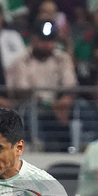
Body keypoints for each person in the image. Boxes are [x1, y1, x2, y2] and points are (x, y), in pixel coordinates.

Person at [7, 19, 78, 149]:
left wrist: (65, 99)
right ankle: (38, 146)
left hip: (59, 105)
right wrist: (51, 104)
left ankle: (80, 146)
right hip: (34, 104)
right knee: (30, 108)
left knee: (81, 106)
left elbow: (70, 85)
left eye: (50, 40)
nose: (46, 44)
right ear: (33, 39)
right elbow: (23, 91)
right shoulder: (21, 60)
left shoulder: (62, 58)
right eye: (42, 40)